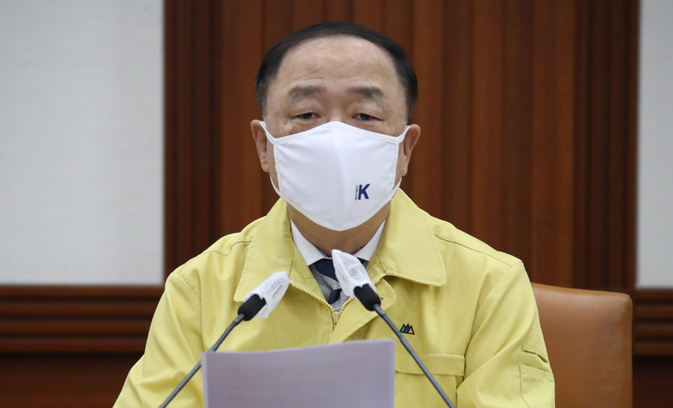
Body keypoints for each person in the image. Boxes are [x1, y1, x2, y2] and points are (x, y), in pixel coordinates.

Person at [114, 22, 554, 407]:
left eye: (364, 115)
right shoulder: (200, 288)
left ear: (405, 149)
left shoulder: (488, 284)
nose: (336, 138)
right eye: (307, 114)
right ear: (265, 146)